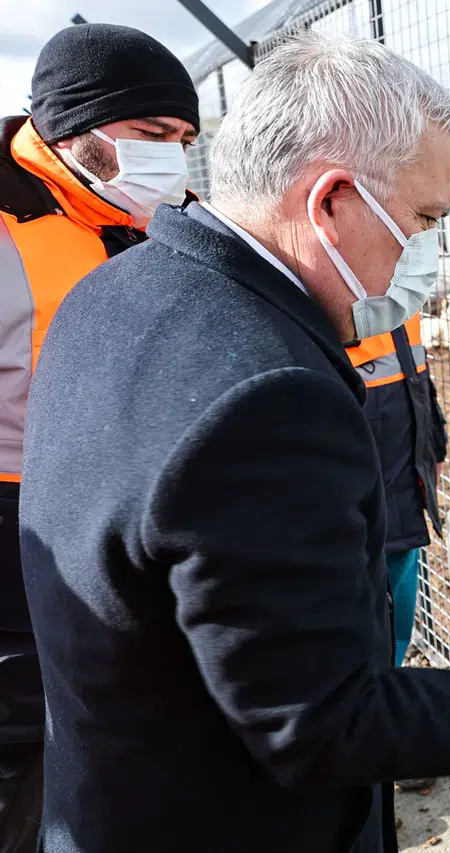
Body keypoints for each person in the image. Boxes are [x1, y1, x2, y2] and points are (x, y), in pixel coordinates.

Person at [18, 30, 450, 853]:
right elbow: (327, 722)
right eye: (423, 218)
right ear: (331, 201)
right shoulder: (267, 400)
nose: (426, 254)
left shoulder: (113, 290)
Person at [0, 23, 199, 852]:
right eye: (153, 137)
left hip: (132, 526)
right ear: (77, 129)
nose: (174, 161)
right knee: (21, 750)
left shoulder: (153, 219)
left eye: (185, 140)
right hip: (17, 539)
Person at [346, 317, 445, 667]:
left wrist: (436, 447)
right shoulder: (326, 296)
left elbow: (418, 379)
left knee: (396, 625)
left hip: (404, 493)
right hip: (357, 508)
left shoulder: (400, 297)